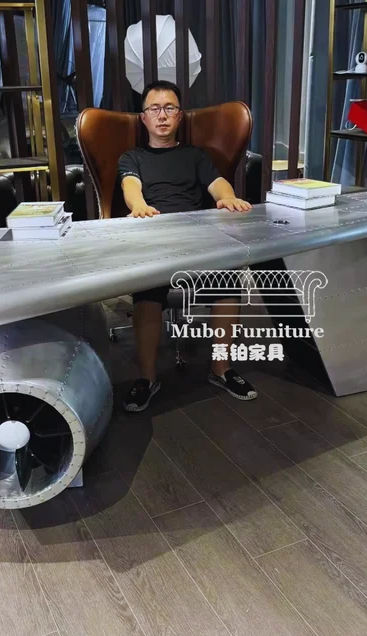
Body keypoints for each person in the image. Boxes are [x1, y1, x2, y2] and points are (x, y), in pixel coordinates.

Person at [118, 80, 258, 412]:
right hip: (154, 239)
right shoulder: (133, 157)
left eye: (169, 108)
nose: (162, 115)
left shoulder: (195, 155)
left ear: (180, 116)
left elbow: (218, 183)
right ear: (143, 117)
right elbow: (130, 186)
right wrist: (139, 205)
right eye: (155, 108)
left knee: (228, 282)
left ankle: (221, 369)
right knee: (147, 291)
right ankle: (147, 378)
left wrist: (227, 198)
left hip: (197, 240)